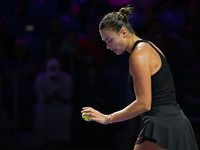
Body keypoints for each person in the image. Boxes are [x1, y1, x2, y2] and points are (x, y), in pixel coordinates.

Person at [81, 5, 199, 150]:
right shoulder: (149, 46)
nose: (107, 46)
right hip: (173, 122)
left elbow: (144, 104)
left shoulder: (138, 56)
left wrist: (107, 118)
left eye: (109, 40)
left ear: (123, 32)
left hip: (162, 124)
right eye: (105, 42)